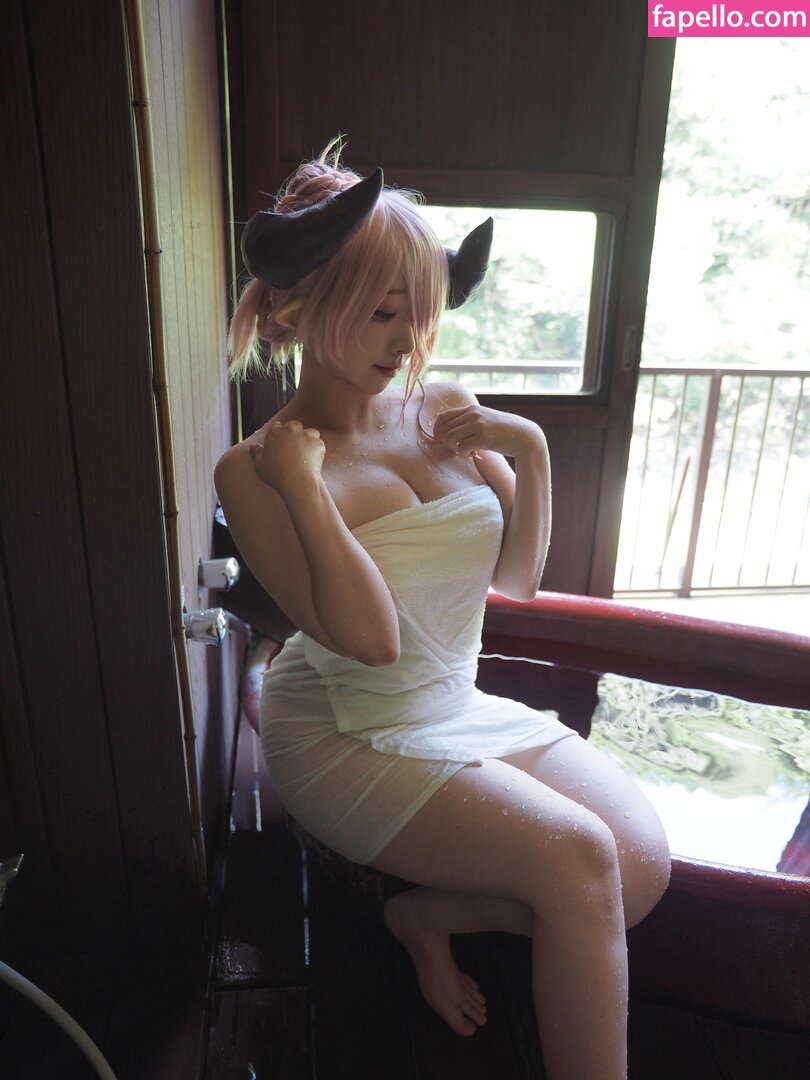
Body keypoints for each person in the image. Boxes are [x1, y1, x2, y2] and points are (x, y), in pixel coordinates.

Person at [215, 141, 671, 1080]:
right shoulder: (255, 469)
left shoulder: (440, 408)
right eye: (383, 313)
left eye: (418, 315)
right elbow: (372, 643)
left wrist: (531, 448)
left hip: (452, 699)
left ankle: (424, 918)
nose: (404, 342)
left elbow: (519, 581)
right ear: (301, 309)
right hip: (349, 726)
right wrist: (304, 488)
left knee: (640, 865)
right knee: (583, 860)